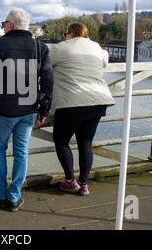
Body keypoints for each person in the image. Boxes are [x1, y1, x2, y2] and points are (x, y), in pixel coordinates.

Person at [0, 8, 53, 211]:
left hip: (5, 109)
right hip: (29, 109)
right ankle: (14, 197)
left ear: (11, 25)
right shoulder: (39, 46)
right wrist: (44, 109)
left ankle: (0, 194)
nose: (2, 26)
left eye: (3, 23)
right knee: (21, 152)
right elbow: (48, 78)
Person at [48, 22, 115, 196]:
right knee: (85, 142)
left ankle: (71, 181)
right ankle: (84, 184)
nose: (64, 36)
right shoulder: (97, 47)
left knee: (61, 141)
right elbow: (105, 61)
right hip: (97, 101)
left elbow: (44, 64)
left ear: (70, 33)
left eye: (65, 33)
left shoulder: (60, 48)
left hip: (72, 101)